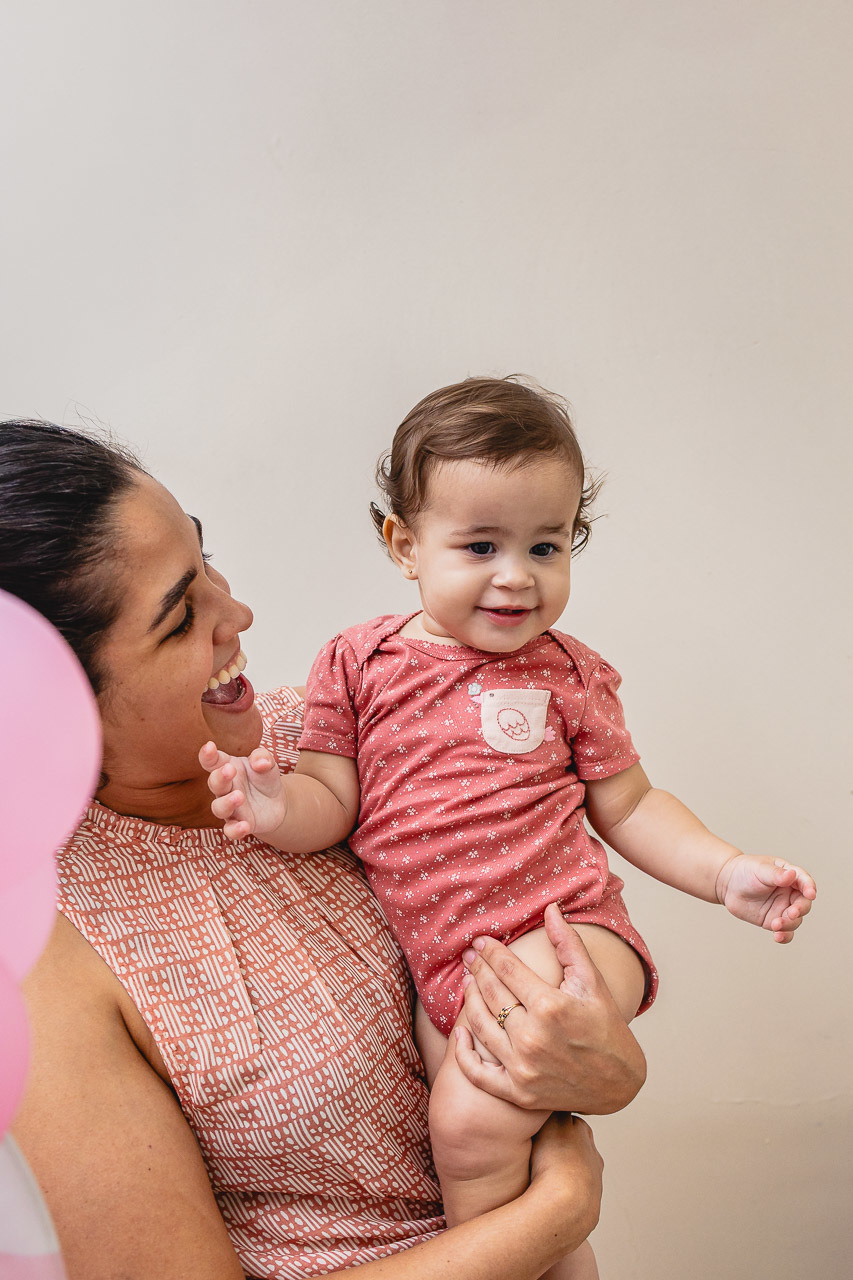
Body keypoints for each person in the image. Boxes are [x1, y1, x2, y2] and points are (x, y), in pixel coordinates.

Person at [1, 417, 648, 1280]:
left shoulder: (341, 735)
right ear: (46, 707)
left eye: (205, 558)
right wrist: (551, 1215)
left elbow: (545, 918)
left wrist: (607, 1070)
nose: (239, 611)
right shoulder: (46, 954)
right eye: (182, 615)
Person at [200, 377, 817, 1280]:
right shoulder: (358, 662)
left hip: (563, 935)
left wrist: (723, 872)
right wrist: (271, 807)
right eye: (480, 544)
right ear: (403, 544)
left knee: (467, 1128)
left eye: (546, 544)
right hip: (442, 965)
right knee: (498, 1169)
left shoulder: (569, 671)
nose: (516, 574)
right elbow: (332, 800)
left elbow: (631, 805)